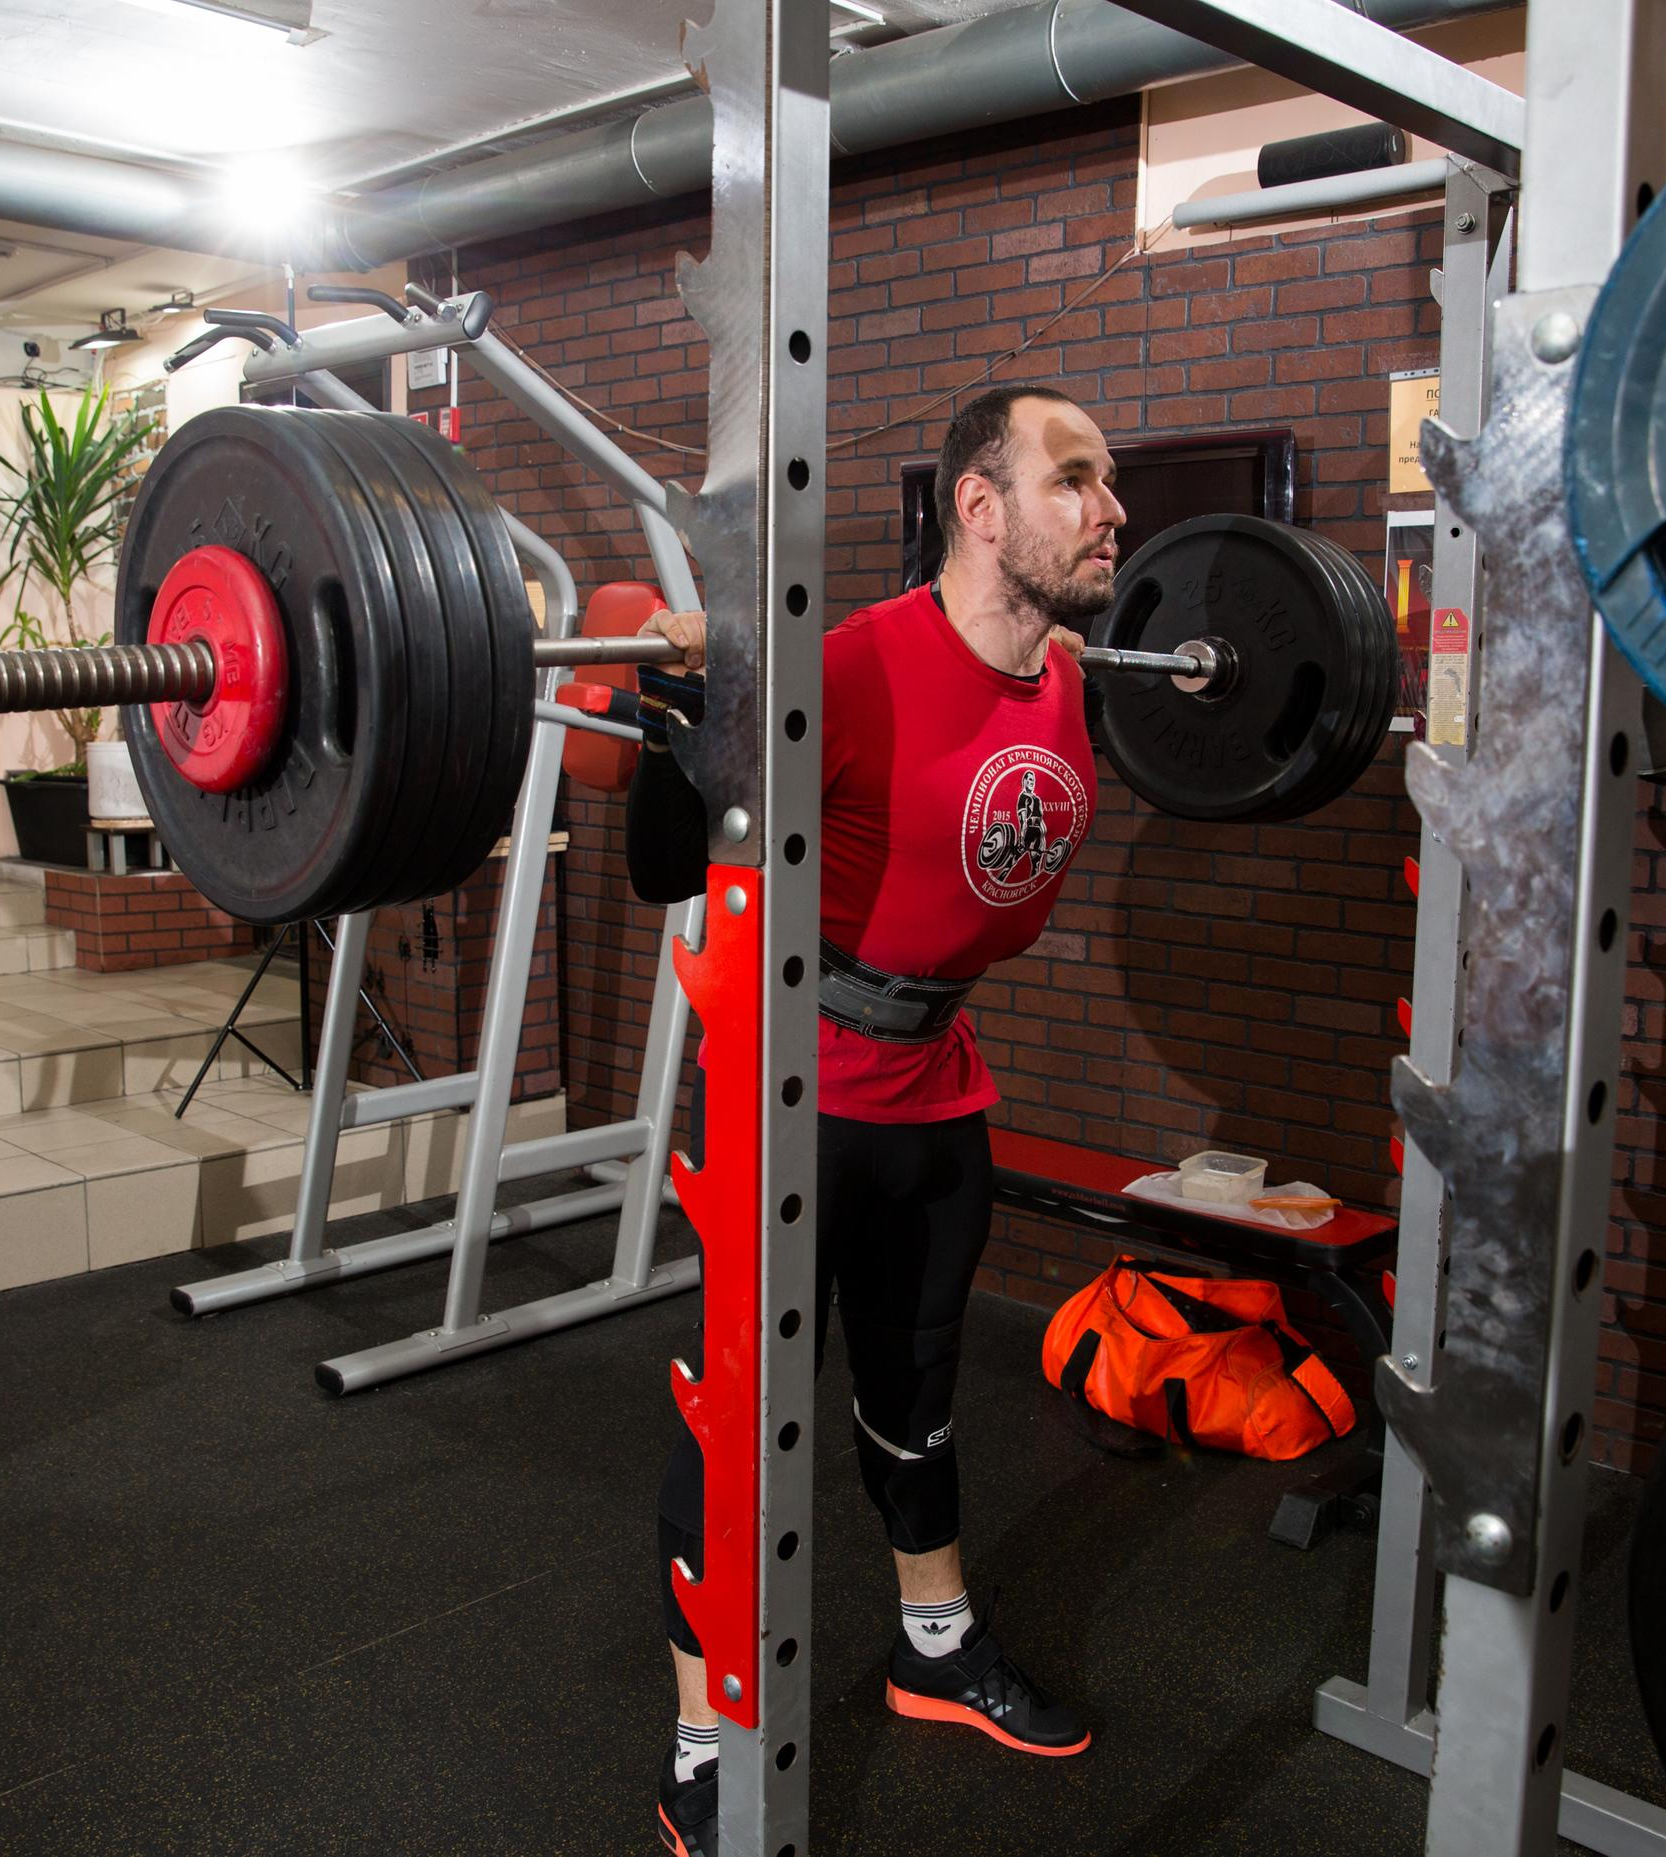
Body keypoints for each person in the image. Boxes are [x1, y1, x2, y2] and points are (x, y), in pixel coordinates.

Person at [624, 385, 1126, 1855]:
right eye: (1077, 480)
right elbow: (669, 859)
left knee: (917, 1394)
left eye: (1110, 485)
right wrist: (686, 720)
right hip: (792, 1098)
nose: (1111, 511)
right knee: (737, 1425)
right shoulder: (845, 670)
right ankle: (703, 1737)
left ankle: (934, 1641)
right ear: (982, 510)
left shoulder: (1074, 676)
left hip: (938, 1087)